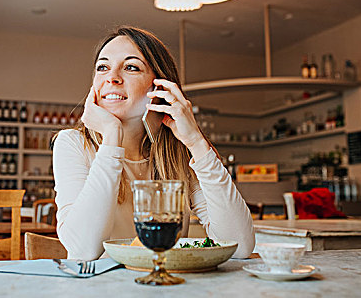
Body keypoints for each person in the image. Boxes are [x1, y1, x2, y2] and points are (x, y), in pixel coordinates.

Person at [53, 26, 255, 260]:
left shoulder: (177, 154)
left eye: (130, 67)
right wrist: (112, 136)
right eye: (103, 67)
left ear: (159, 87)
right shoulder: (73, 143)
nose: (112, 77)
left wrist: (196, 141)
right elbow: (84, 249)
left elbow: (240, 246)